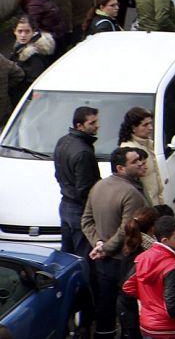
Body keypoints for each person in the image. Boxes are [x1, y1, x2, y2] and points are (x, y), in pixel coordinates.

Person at [83, 145, 151, 339]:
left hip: (103, 259)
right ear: (121, 168)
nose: (140, 163)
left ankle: (104, 334)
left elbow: (86, 221)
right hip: (124, 259)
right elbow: (126, 229)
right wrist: (105, 248)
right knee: (127, 304)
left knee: (105, 301)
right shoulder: (132, 193)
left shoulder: (98, 186)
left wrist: (98, 244)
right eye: (134, 161)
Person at [121, 215, 175, 339]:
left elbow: (128, 286)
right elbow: (173, 306)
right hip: (168, 329)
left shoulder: (141, 258)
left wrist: (149, 301)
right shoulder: (171, 266)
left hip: (147, 325)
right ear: (164, 240)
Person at [54, 105, 100, 258]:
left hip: (65, 205)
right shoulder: (83, 152)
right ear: (79, 126)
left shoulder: (63, 141)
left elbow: (58, 173)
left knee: (67, 255)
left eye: (96, 121)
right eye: (92, 123)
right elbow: (85, 188)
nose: (97, 126)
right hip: (79, 209)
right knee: (83, 257)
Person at [119, 107, 166, 205]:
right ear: (133, 128)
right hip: (146, 204)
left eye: (150, 123)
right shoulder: (130, 151)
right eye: (145, 125)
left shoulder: (147, 143)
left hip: (157, 202)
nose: (150, 128)